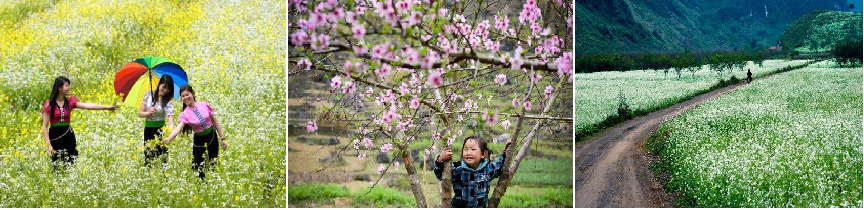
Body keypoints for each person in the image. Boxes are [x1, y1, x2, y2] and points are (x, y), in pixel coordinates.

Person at [41, 76, 115, 166]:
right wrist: (49, 145)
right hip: (55, 136)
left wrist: (107, 107)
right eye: (67, 86)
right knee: (57, 164)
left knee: (71, 161)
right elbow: (44, 126)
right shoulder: (49, 105)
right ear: (60, 88)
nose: (69, 88)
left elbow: (88, 106)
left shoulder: (70, 102)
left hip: (68, 135)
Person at [161, 85, 227, 179]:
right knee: (199, 168)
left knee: (213, 164)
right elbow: (178, 128)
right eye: (183, 96)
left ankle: (214, 183)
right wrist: (169, 139)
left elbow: (214, 121)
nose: (185, 97)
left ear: (193, 94)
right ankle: (201, 188)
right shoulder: (185, 114)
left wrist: (222, 138)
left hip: (212, 137)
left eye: (187, 94)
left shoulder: (204, 105)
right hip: (199, 141)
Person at [434, 136, 512, 208]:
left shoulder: (487, 168)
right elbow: (440, 174)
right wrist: (440, 160)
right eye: (465, 149)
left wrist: (506, 151)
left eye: (473, 149)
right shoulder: (458, 169)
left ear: (483, 154)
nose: (468, 153)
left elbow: (500, 166)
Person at [139, 75, 175, 165]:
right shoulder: (148, 95)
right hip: (148, 130)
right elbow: (140, 113)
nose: (165, 90)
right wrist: (148, 113)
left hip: (161, 130)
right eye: (164, 87)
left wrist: (169, 134)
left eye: (168, 89)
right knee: (148, 159)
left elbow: (170, 122)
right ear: (159, 84)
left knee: (163, 159)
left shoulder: (168, 102)